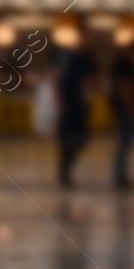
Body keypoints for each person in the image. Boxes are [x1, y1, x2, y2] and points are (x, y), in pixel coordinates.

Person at [56, 33, 98, 188]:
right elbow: (60, 80)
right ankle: (64, 169)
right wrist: (60, 98)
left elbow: (93, 80)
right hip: (69, 104)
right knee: (66, 139)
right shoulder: (68, 59)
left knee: (81, 138)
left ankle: (68, 164)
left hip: (81, 104)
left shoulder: (88, 60)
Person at [110, 37, 134, 190]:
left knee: (125, 141)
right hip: (125, 108)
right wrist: (132, 109)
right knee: (125, 141)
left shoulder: (124, 64)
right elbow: (125, 88)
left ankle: (121, 174)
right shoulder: (126, 66)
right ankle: (120, 175)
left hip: (122, 107)